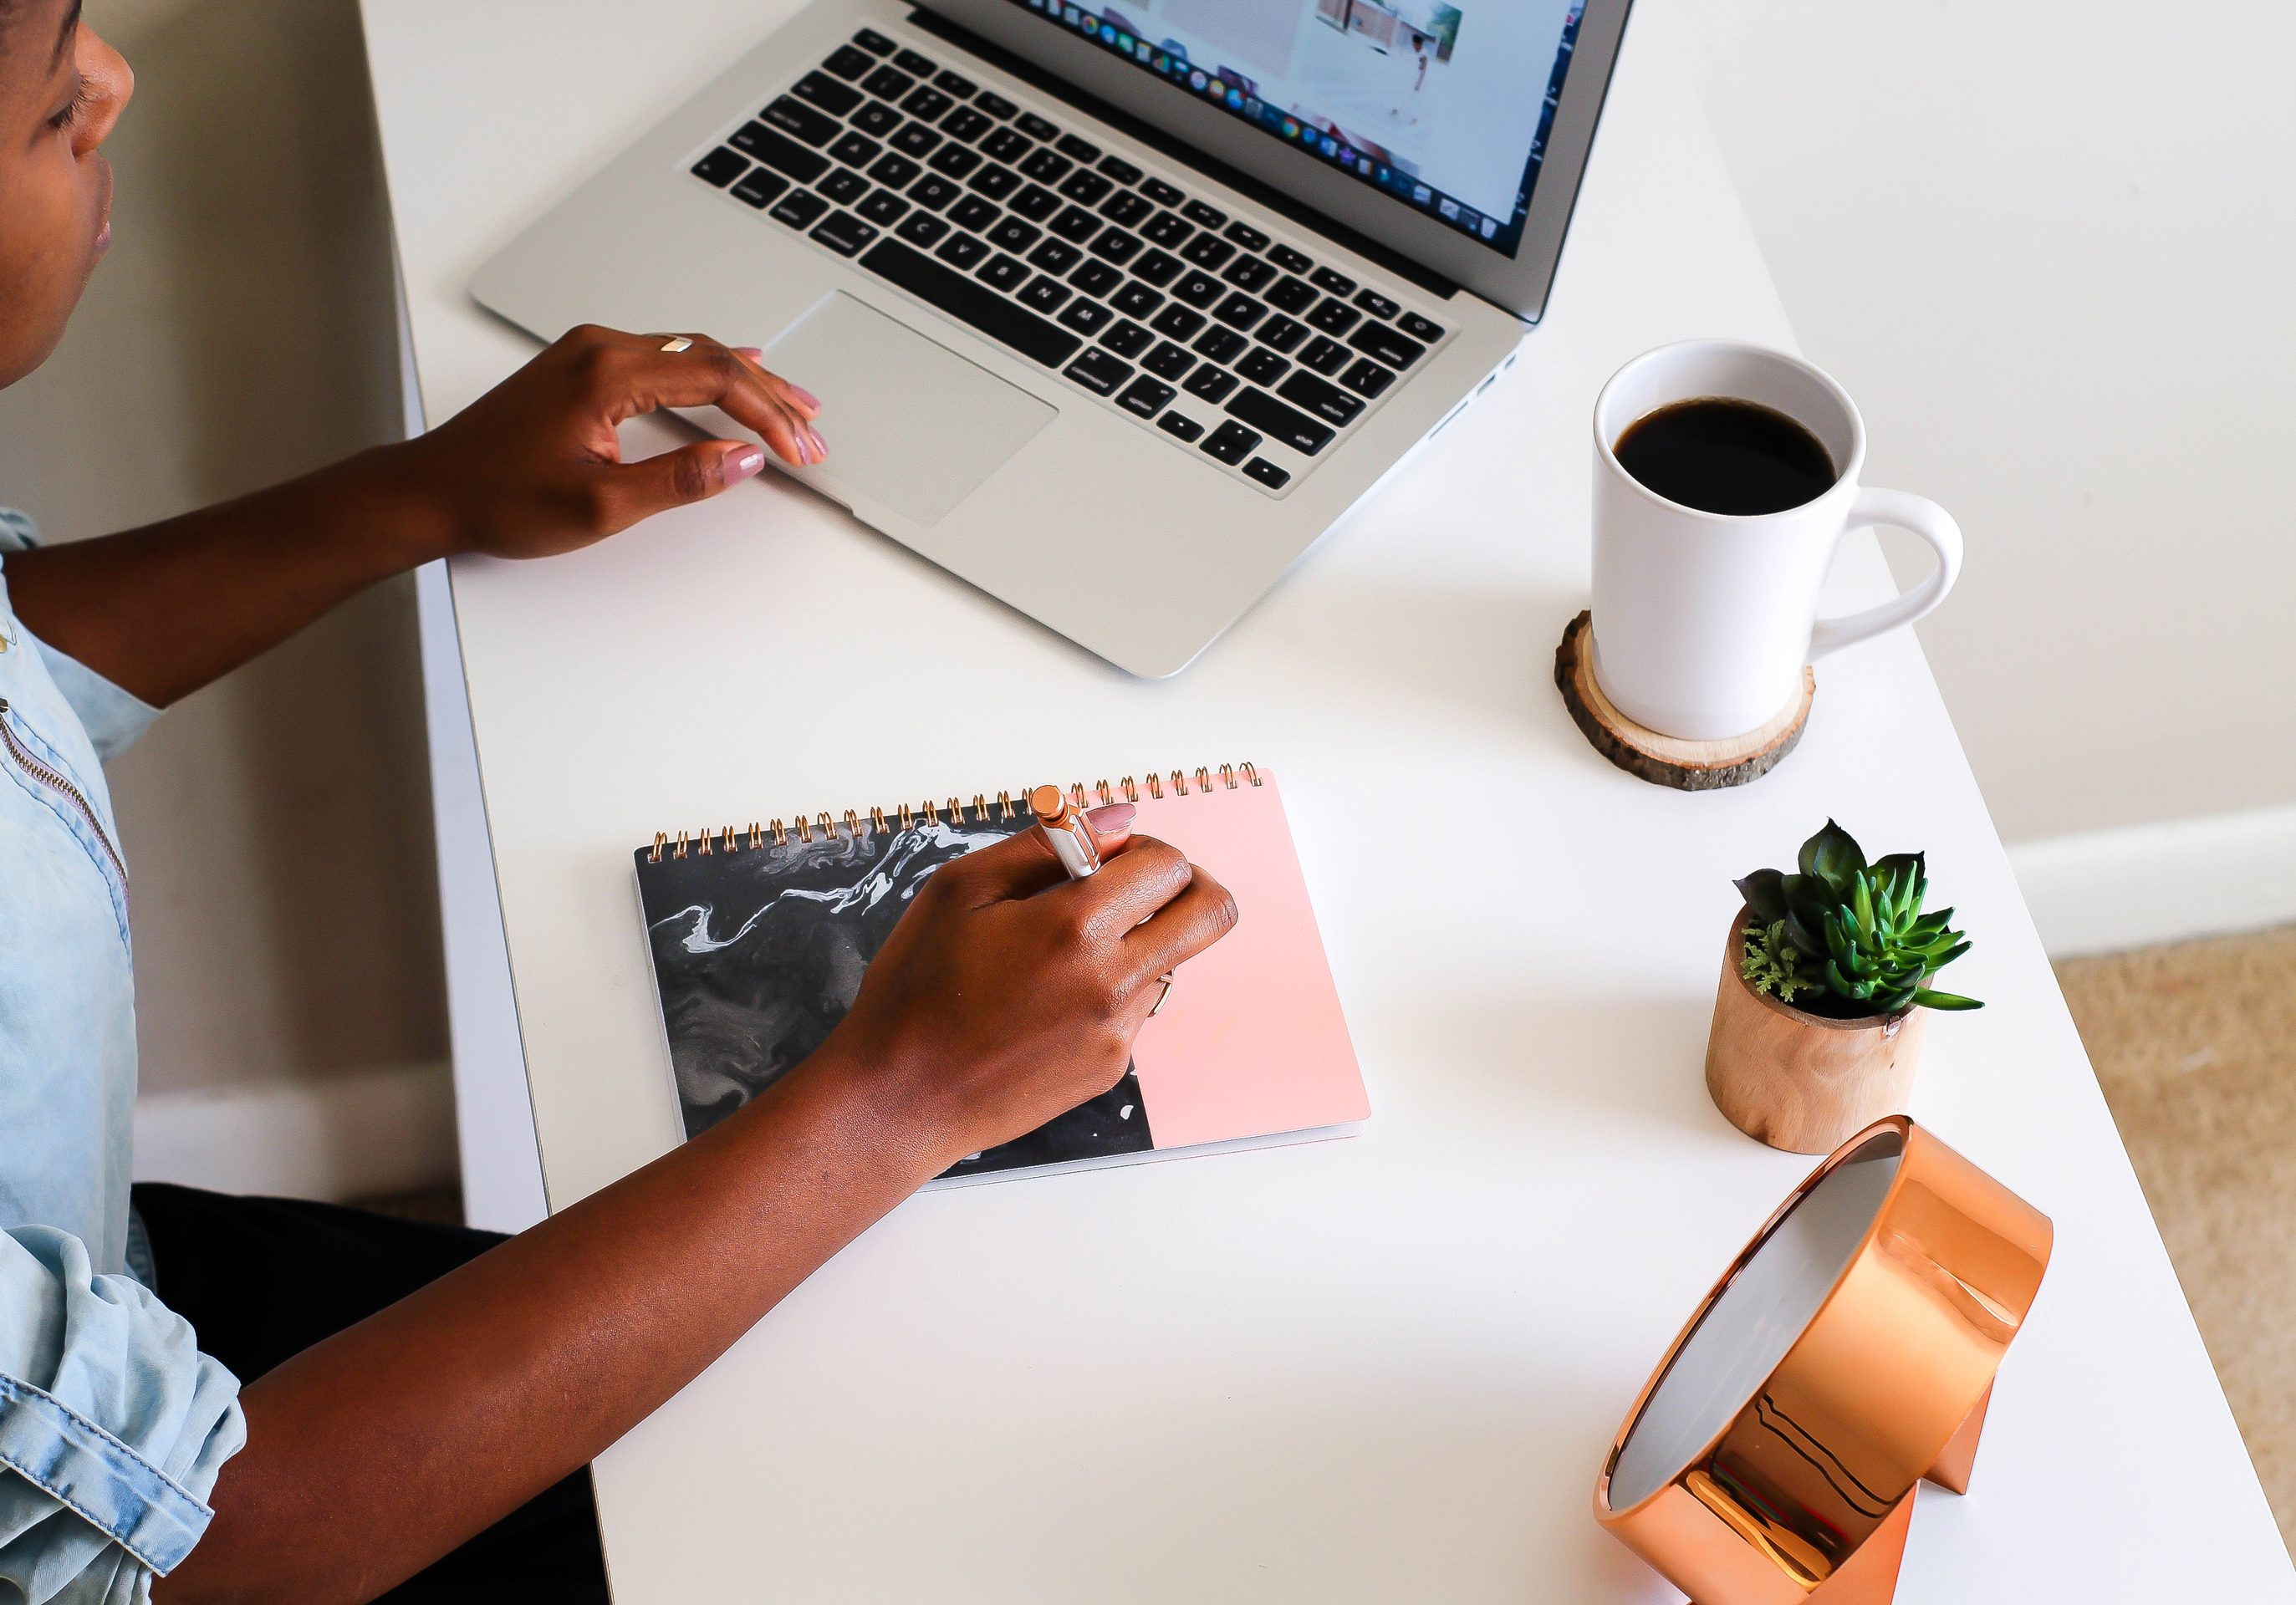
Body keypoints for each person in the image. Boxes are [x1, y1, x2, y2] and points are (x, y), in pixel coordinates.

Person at [0, 4, 1238, 1602]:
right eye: (44, 108)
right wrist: (899, 1095)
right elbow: (202, 1544)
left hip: (102, 1305)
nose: (112, 82)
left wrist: (426, 490)